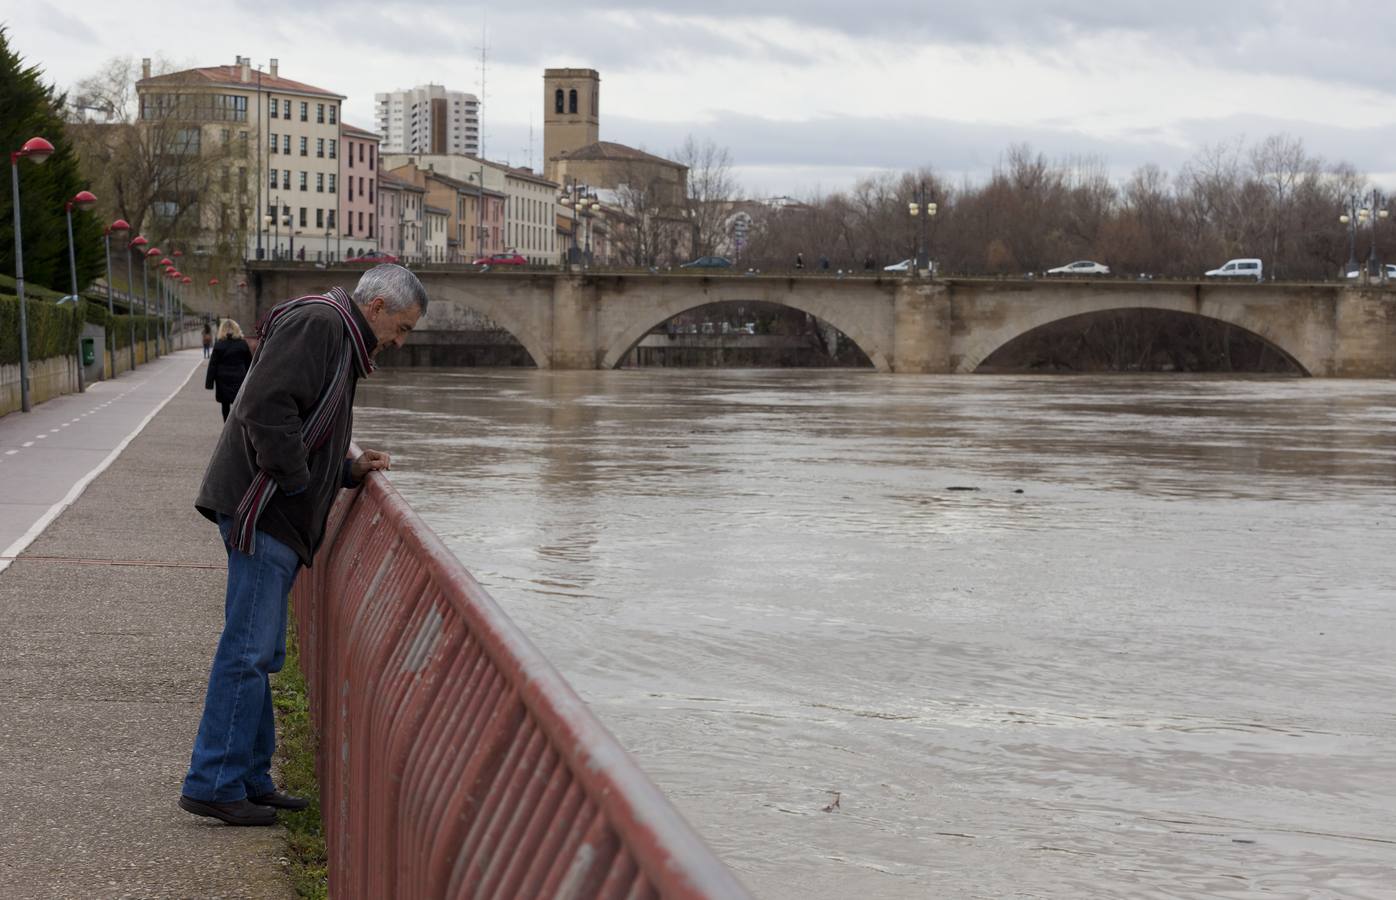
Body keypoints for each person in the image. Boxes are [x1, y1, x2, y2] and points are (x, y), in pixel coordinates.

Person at [179, 264, 427, 827]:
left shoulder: (336, 332)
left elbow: (304, 420)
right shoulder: (322, 325)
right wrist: (294, 483)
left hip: (267, 508)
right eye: (403, 328)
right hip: (263, 510)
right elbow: (264, 406)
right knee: (247, 650)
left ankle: (248, 777)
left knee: (257, 650)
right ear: (380, 307)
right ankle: (213, 781)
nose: (399, 342)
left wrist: (345, 469)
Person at [205, 319, 253, 422]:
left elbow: (213, 365)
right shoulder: (242, 344)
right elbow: (249, 363)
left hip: (223, 379)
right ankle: (236, 427)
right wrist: (252, 379)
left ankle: (226, 425)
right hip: (239, 377)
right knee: (238, 404)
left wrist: (209, 383)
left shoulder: (219, 344)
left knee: (225, 404)